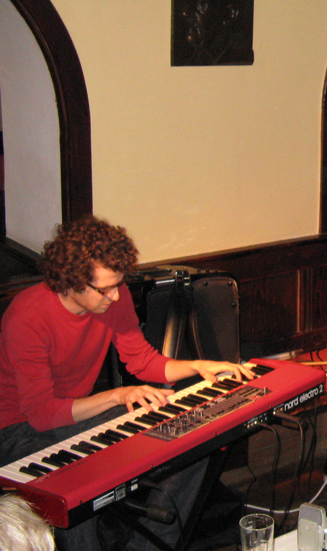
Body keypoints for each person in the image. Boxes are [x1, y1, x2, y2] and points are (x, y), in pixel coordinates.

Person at [0, 215, 254, 551]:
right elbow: (41, 414)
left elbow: (142, 361)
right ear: (71, 280)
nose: (115, 297)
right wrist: (117, 396)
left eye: (117, 285)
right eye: (104, 289)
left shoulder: (112, 298)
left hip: (74, 418)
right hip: (16, 431)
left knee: (195, 432)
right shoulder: (28, 316)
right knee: (78, 483)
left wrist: (198, 365)